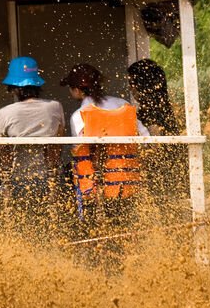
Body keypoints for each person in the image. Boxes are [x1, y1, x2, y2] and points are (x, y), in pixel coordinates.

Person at [60, 64, 148, 223]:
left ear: (77, 90)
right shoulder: (123, 105)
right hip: (128, 184)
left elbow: (78, 152)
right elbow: (146, 141)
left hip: (94, 191)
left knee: (67, 170)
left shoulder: (79, 115)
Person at [0, 57, 65, 213]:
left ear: (14, 88)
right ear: (37, 84)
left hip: (16, 182)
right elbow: (58, 144)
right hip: (51, 181)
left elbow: (3, 152)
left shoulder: (4, 113)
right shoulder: (55, 107)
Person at [128, 59, 187, 202]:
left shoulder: (151, 112)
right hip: (176, 172)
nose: (131, 89)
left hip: (163, 177)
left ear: (143, 85)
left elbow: (155, 145)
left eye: (132, 84)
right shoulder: (165, 107)